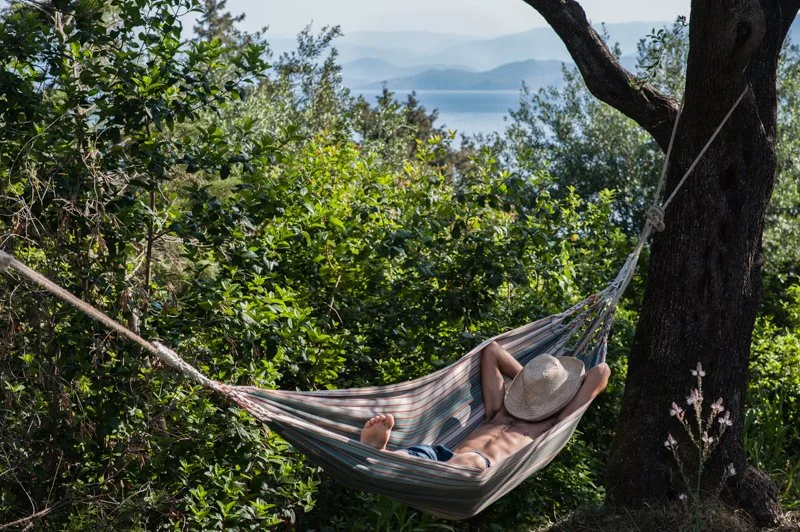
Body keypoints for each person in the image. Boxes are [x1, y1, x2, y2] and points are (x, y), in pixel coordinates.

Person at [359, 341, 611, 470]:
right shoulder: (501, 409)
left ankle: (394, 462)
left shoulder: (552, 424)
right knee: (422, 452)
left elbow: (601, 371)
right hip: (445, 454)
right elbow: (491, 351)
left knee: (468, 462)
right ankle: (383, 454)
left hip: (479, 468)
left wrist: (548, 393)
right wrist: (532, 383)